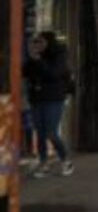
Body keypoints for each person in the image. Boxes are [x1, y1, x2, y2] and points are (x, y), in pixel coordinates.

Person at [23, 31, 74, 178]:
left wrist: (38, 60)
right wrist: (31, 59)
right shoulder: (35, 56)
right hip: (37, 98)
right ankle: (43, 163)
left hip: (54, 99)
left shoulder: (59, 55)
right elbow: (25, 72)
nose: (38, 45)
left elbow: (53, 74)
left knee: (51, 132)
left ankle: (66, 160)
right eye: (36, 42)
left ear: (49, 42)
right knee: (40, 132)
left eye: (41, 42)